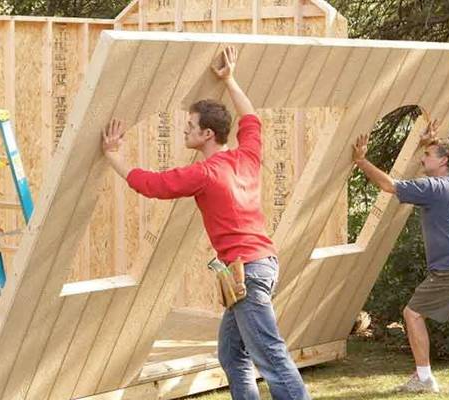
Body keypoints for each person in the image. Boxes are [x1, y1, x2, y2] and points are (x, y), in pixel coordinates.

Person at [101, 46, 310, 400]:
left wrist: (114, 156)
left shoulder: (204, 173)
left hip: (247, 273)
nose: (185, 131)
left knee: (271, 357)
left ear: (208, 134)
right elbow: (252, 119)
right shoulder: (246, 156)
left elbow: (151, 185)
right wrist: (230, 79)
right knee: (232, 354)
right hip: (257, 266)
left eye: (190, 127)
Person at [352, 122, 449, 393]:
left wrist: (361, 161)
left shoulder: (434, 187)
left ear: (444, 161)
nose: (423, 159)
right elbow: (442, 155)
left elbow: (389, 185)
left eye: (427, 156)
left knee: (412, 314)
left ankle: (424, 379)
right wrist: (428, 145)